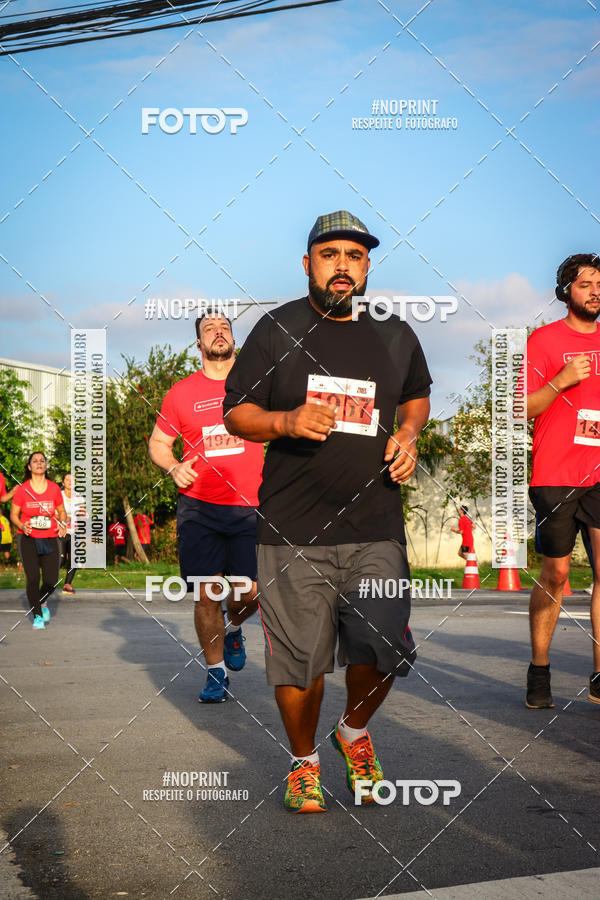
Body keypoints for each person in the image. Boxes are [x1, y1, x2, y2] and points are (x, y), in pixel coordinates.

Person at [223, 210, 432, 812]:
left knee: (383, 647)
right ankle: (304, 762)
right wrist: (284, 421)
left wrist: (410, 435)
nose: (344, 265)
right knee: (298, 665)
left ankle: (354, 733)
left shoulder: (394, 334)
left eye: (356, 255)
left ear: (367, 266)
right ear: (308, 263)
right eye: (331, 253)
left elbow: (416, 397)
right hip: (291, 528)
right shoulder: (275, 330)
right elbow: (236, 412)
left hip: (375, 525)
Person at [148, 311, 264, 703]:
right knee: (206, 592)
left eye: (225, 327)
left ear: (233, 340)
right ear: (198, 344)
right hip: (199, 506)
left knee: (252, 592)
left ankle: (232, 626)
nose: (218, 332)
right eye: (209, 329)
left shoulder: (257, 385)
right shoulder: (181, 393)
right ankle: (215, 673)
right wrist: (175, 467)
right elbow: (158, 445)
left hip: (252, 504)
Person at [525, 252, 600, 708]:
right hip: (555, 472)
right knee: (555, 574)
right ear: (566, 292)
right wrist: (562, 380)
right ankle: (539, 669)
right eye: (585, 283)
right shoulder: (544, 340)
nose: (595, 291)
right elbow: (523, 408)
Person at [10, 452, 67, 629]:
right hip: (28, 539)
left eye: (42, 461)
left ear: (46, 466)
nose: (39, 463)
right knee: (33, 578)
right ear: (29, 467)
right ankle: (37, 616)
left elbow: (62, 511)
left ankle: (41, 601)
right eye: (35, 461)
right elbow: (13, 515)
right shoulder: (22, 489)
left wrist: (63, 523)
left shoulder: (54, 488)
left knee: (51, 580)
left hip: (50, 538)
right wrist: (21, 524)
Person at [59, 473, 78, 594]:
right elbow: (52, 512)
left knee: (74, 559)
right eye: (67, 479)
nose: (70, 482)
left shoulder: (79, 497)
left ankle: (67, 584)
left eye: (72, 480)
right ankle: (48, 582)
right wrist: (64, 519)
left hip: (75, 532)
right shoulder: (58, 496)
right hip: (61, 532)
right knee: (60, 560)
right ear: (63, 482)